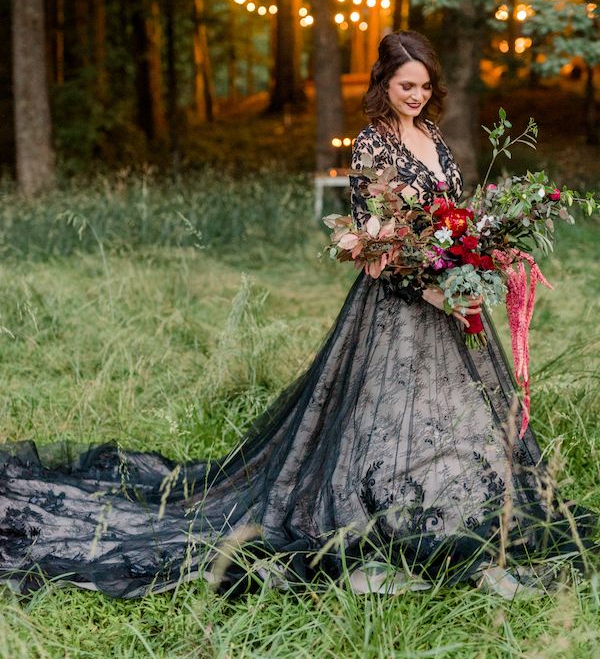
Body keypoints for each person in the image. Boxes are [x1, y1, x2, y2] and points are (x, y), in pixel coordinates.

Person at [0, 31, 595, 600]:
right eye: (405, 85)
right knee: (383, 411)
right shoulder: (372, 144)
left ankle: (457, 500)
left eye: (423, 86)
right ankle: (379, 517)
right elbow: (374, 238)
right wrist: (430, 285)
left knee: (460, 409)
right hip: (400, 304)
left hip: (452, 297)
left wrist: (473, 261)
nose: (415, 96)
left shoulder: (435, 138)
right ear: (384, 82)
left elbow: (452, 214)